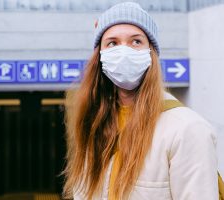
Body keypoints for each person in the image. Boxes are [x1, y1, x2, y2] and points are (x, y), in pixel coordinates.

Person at [63, 2, 218, 200]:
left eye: (136, 41)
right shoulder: (94, 123)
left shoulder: (187, 129)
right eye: (112, 43)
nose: (124, 52)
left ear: (151, 53)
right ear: (99, 56)